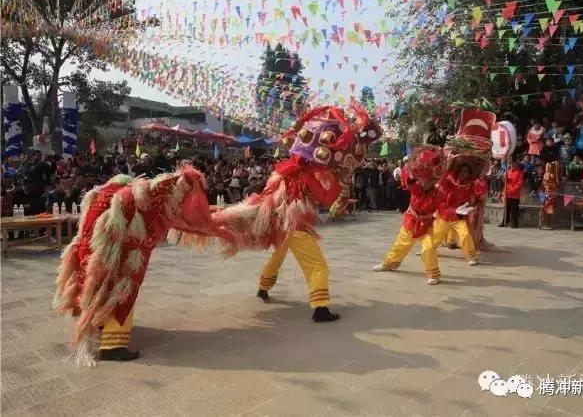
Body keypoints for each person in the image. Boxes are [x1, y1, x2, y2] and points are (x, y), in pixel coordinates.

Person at [212, 104, 383, 322]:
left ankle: (263, 287)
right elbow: (326, 199)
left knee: (279, 254)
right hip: (296, 224)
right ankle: (320, 308)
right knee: (318, 266)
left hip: (281, 221)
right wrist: (341, 184)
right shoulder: (311, 175)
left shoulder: (287, 171)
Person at [53, 164, 232, 365]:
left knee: (95, 287)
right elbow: (158, 198)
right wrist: (186, 179)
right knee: (123, 291)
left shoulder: (99, 194)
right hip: (122, 252)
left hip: (90, 249)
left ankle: (99, 323)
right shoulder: (132, 193)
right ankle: (114, 345)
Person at [373, 147, 444, 282]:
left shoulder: (438, 194)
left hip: (426, 224)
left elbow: (441, 210)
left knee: (428, 249)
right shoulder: (417, 189)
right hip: (411, 220)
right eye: (423, 180)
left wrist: (430, 216)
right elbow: (409, 183)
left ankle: (434, 275)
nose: (425, 182)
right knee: (400, 244)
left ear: (433, 181)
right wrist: (412, 171)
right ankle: (389, 264)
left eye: (428, 181)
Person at [499, 159, 524, 228]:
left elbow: (519, 184)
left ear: (516, 164)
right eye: (511, 163)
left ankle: (515, 224)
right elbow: (505, 182)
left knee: (514, 210)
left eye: (513, 163)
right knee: (506, 209)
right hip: (507, 193)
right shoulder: (508, 171)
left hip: (515, 194)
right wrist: (504, 178)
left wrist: (511, 190)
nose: (512, 165)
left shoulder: (520, 172)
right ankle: (505, 222)